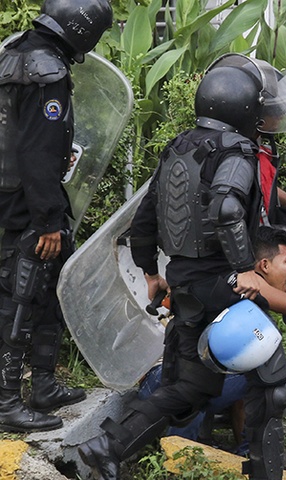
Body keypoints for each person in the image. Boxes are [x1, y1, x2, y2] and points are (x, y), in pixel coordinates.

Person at [77, 54, 286, 480]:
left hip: (186, 280)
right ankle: (263, 471)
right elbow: (227, 208)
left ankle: (107, 447)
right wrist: (244, 268)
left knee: (189, 387)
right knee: (271, 376)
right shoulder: (239, 153)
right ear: (245, 110)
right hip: (220, 280)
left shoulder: (179, 146)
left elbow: (146, 217)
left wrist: (152, 273)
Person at [138, 224, 286, 450]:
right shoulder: (245, 281)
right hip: (163, 381)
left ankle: (244, 452)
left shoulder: (232, 280)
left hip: (176, 380)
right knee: (259, 374)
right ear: (264, 265)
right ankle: (182, 455)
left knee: (250, 366)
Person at [0, 0, 112, 433]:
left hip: (13, 196)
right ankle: (8, 401)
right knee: (22, 296)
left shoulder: (13, 54)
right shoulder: (47, 72)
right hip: (31, 205)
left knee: (48, 287)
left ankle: (45, 385)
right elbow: (37, 151)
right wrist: (47, 219)